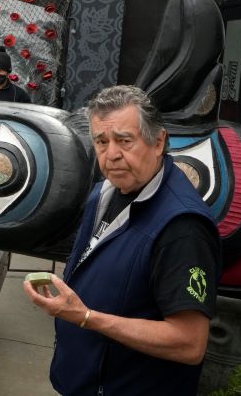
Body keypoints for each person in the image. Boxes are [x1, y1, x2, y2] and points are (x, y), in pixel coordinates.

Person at [23, 85, 220, 396]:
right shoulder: (106, 191)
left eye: (124, 140)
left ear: (158, 142)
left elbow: (189, 342)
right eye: (102, 142)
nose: (111, 154)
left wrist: (86, 317)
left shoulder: (181, 227)